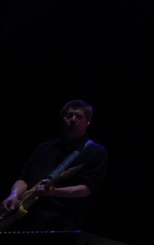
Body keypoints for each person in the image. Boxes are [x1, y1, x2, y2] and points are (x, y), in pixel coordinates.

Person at [2, 99, 108, 232]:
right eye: (69, 115)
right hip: (23, 216)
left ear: (88, 121)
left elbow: (85, 189)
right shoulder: (44, 147)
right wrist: (13, 195)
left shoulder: (96, 152)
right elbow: (23, 178)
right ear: (62, 118)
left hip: (59, 223)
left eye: (78, 116)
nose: (73, 119)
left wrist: (53, 192)